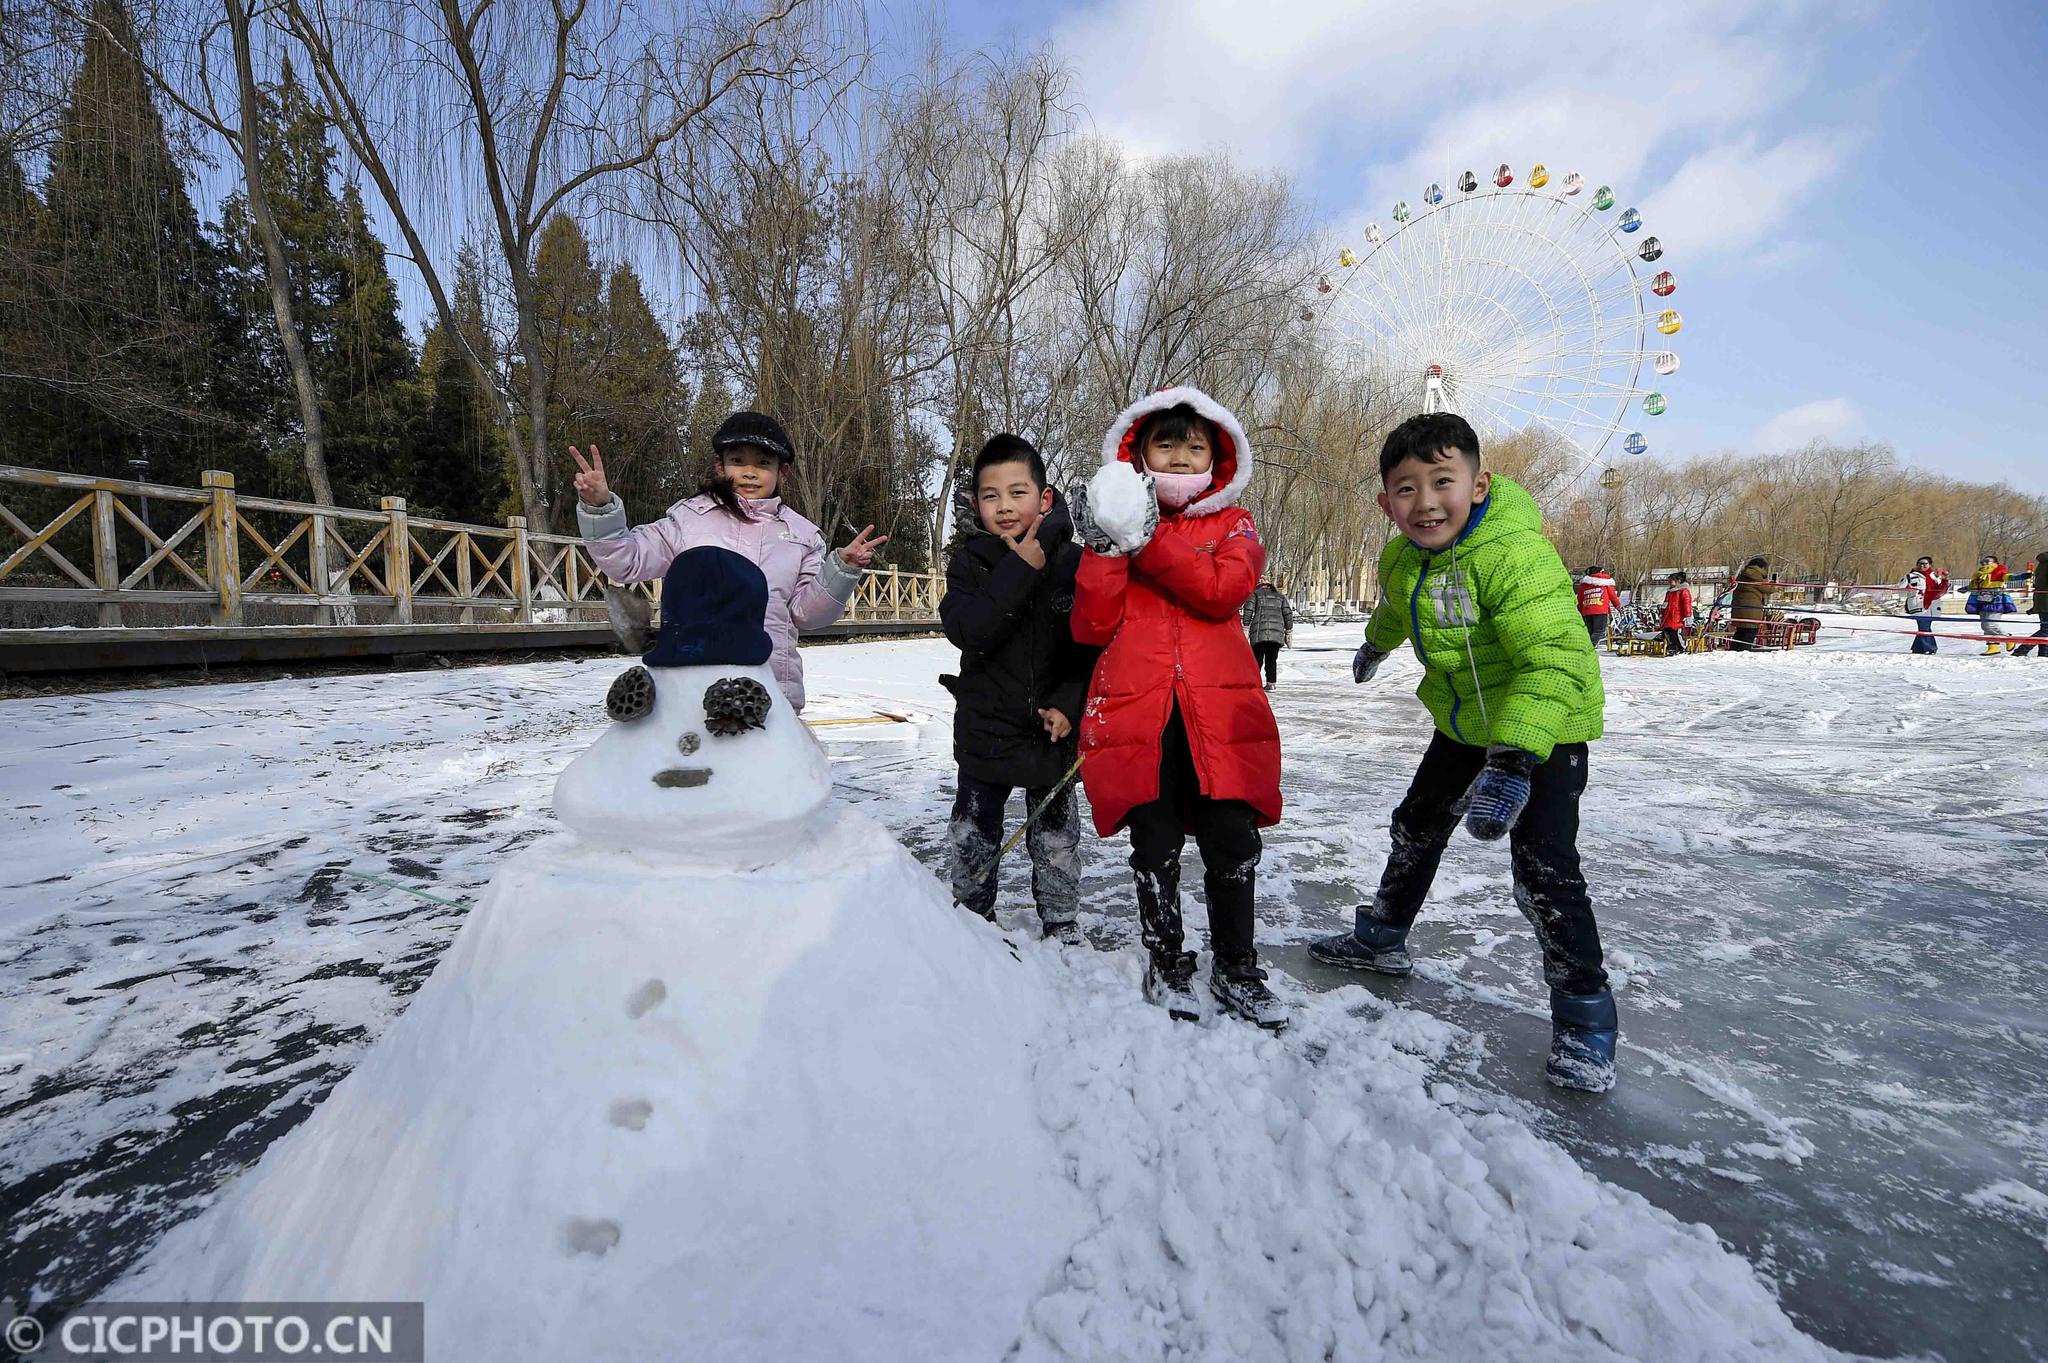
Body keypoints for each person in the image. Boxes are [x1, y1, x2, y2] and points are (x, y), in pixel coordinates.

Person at [1309, 412, 1614, 1091]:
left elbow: (1556, 661)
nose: (1425, 502)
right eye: (1406, 489)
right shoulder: (1402, 556)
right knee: (1416, 824)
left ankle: (1587, 1019)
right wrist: (1377, 644)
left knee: (1544, 872)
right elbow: (1400, 603)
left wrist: (1513, 759)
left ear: (1478, 486)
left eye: (1441, 482)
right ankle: (1382, 936)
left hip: (1546, 726)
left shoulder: (1514, 555)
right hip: (1463, 722)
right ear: (1387, 502)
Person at [1070, 387, 1286, 1031]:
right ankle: (1166, 958)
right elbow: (1090, 624)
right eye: (1167, 444)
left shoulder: (1234, 523)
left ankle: (1237, 964)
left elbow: (1224, 590)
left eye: (1197, 447)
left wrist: (1148, 542)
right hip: (1141, 712)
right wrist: (1108, 548)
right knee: (1155, 839)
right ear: (1140, 452)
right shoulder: (1114, 524)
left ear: (1217, 459)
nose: (1182, 457)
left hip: (1218, 713)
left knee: (1231, 837)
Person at [569, 413, 887, 710]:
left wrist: (842, 570)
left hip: (768, 691)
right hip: (689, 684)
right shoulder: (689, 519)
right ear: (720, 467)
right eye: (737, 461)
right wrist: (600, 509)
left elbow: (807, 614)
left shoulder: (802, 536)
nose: (749, 472)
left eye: (763, 463)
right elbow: (626, 560)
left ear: (782, 472)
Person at [938, 434, 1096, 944]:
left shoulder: (1073, 564)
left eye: (1017, 492)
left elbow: (1089, 651)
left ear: (1044, 499)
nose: (1004, 507)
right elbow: (969, 631)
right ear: (976, 504)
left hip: (1050, 732)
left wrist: (1070, 706)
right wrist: (1021, 569)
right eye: (990, 495)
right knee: (973, 834)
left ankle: (1061, 920)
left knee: (1056, 840)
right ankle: (970, 914)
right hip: (985, 725)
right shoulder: (968, 564)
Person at [1242, 577, 1294, 689]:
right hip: (1276, 633)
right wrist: (1288, 631)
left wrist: (1246, 627)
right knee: (1272, 659)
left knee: (1257, 659)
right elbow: (1288, 614)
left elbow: (1248, 610)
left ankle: (1254, 683)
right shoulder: (1280, 596)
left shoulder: (1255, 595)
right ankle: (1271, 684)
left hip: (1259, 633)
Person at [1901, 555, 1950, 655]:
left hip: (1932, 604)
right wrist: (1908, 587)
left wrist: (1945, 579)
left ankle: (1917, 648)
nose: (1922, 566)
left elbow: (1940, 589)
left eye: (1925, 564)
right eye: (1920, 564)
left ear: (1930, 565)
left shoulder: (1934, 576)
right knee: (1924, 626)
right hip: (1918, 604)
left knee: (1924, 626)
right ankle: (1931, 647)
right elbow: (1899, 587)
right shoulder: (1910, 576)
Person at [1966, 555, 2014, 656]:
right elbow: (1974, 586)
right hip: (1982, 601)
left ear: (1995, 562)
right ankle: (1993, 646)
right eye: (1982, 561)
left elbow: (2009, 577)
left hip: (1995, 602)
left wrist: (2021, 577)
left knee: (1991, 624)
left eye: (1987, 561)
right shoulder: (1979, 575)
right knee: (1985, 626)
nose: (1984, 563)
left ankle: (2008, 638)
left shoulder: (1999, 572)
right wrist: (1965, 588)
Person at [1729, 557, 1770, 651]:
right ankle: (1743, 652)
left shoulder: (1742, 574)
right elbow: (1768, 589)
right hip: (1751, 612)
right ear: (1761, 567)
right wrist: (1774, 584)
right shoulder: (1755, 576)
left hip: (1739, 610)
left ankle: (1734, 651)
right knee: (1749, 634)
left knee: (1740, 633)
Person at [2011, 551, 2048, 658]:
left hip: (2042, 600)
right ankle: (2022, 650)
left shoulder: (2043, 563)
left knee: (2045, 629)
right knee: (2045, 630)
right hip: (2045, 600)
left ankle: (2043, 654)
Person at [1575, 566, 1620, 646]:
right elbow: (1612, 596)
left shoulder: (1584, 584)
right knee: (1599, 632)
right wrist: (1618, 606)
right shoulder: (1605, 582)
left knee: (1589, 631)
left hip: (1587, 610)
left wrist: (1580, 610)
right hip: (1601, 610)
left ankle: (1587, 645)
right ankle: (1590, 646)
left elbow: (1580, 599)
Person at [1660, 571, 1693, 658]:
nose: (1670, 582)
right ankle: (1672, 648)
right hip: (1668, 617)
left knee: (1676, 634)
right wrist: (1662, 612)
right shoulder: (1670, 592)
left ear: (1678, 581)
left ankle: (1681, 649)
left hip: (1677, 617)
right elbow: (1666, 603)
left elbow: (1687, 603)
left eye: (1672, 580)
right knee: (1667, 633)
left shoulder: (1683, 591)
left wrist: (1687, 615)